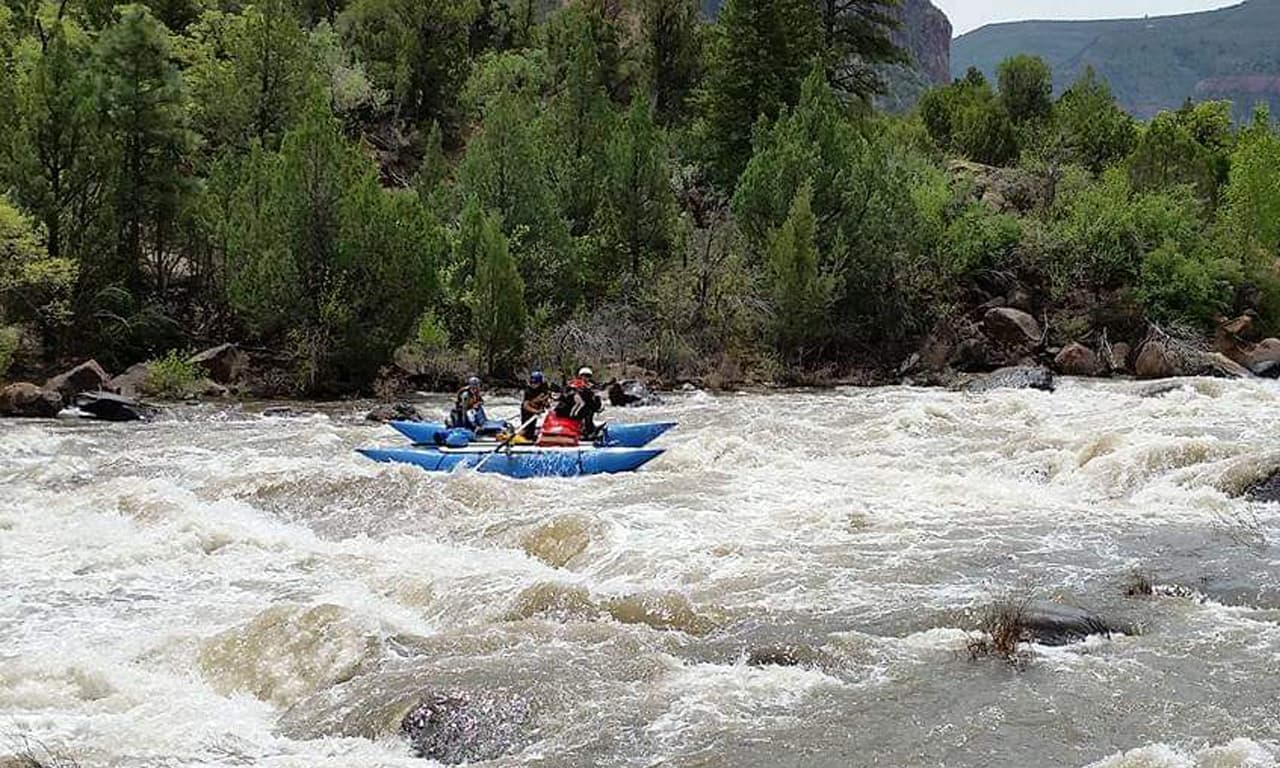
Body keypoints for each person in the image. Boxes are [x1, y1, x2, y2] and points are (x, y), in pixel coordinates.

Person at [538, 367, 604, 446]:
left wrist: (596, 400)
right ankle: (587, 432)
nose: (585, 378)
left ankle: (588, 431)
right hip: (566, 412)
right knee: (587, 411)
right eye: (584, 376)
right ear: (580, 376)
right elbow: (562, 398)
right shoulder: (572, 387)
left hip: (575, 413)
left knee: (588, 411)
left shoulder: (589, 390)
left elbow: (594, 405)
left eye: (588, 376)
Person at [518, 370, 552, 442]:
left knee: (531, 431)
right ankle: (520, 435)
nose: (533, 385)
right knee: (526, 430)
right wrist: (536, 411)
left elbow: (546, 401)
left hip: (536, 410)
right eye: (532, 382)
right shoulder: (528, 391)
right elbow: (525, 406)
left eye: (535, 383)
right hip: (527, 411)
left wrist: (546, 405)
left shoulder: (543, 388)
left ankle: (530, 436)